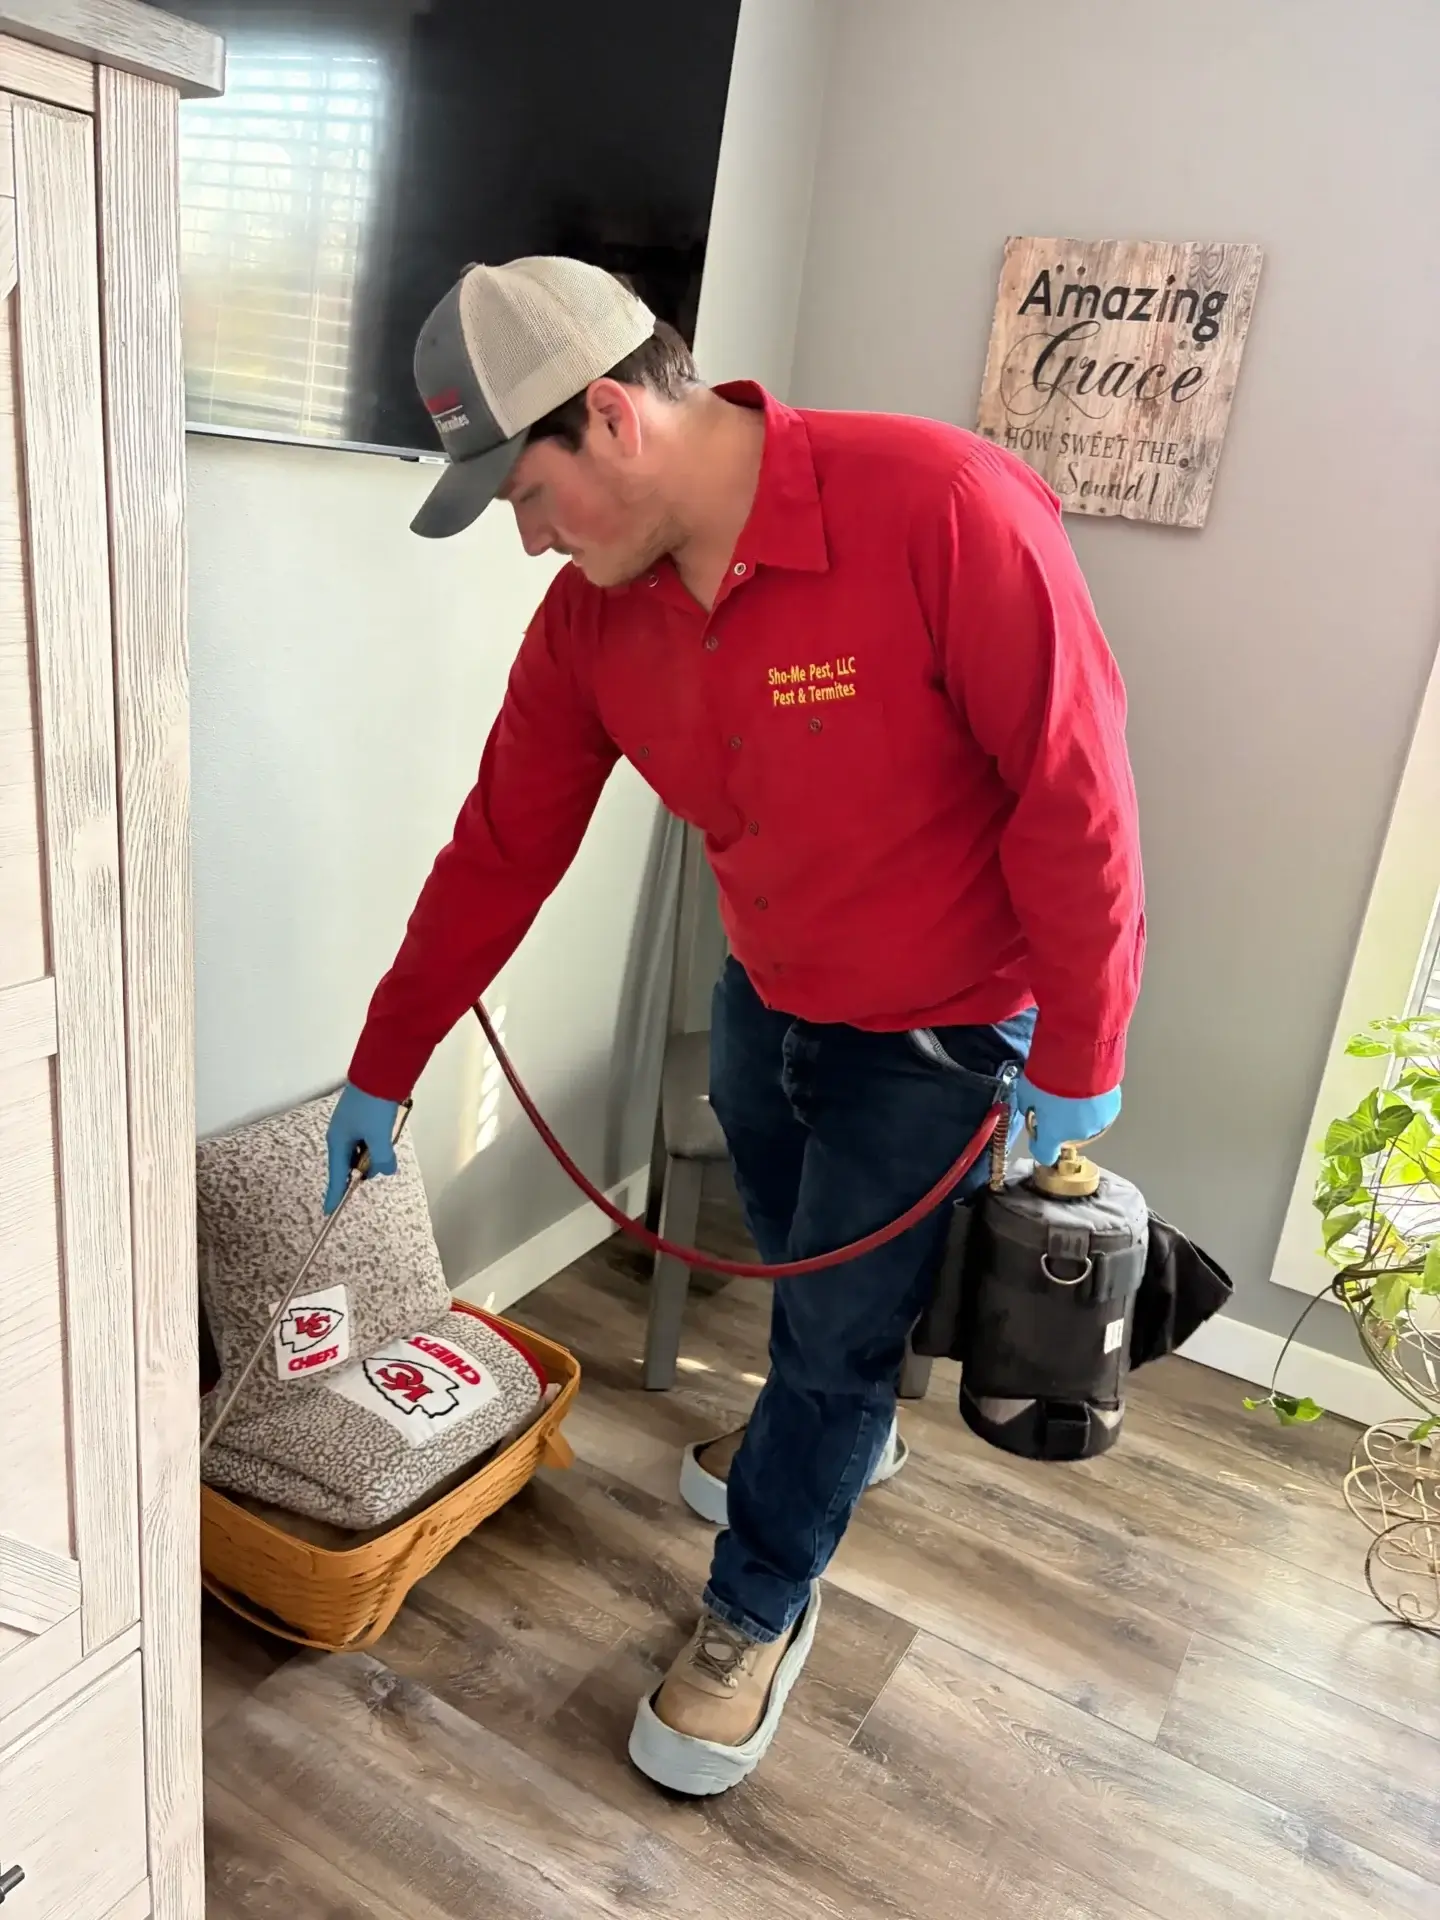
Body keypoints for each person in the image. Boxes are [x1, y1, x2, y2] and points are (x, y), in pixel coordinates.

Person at [325, 256, 1144, 1796]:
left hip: (943, 1038)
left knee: (834, 1338)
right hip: (766, 1001)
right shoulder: (592, 623)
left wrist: (1085, 1053)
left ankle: (759, 1603)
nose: (530, 536)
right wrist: (387, 1057)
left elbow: (1074, 795)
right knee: (799, 1284)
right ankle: (831, 1439)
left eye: (529, 493)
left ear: (615, 419)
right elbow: (502, 844)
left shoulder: (943, 508)